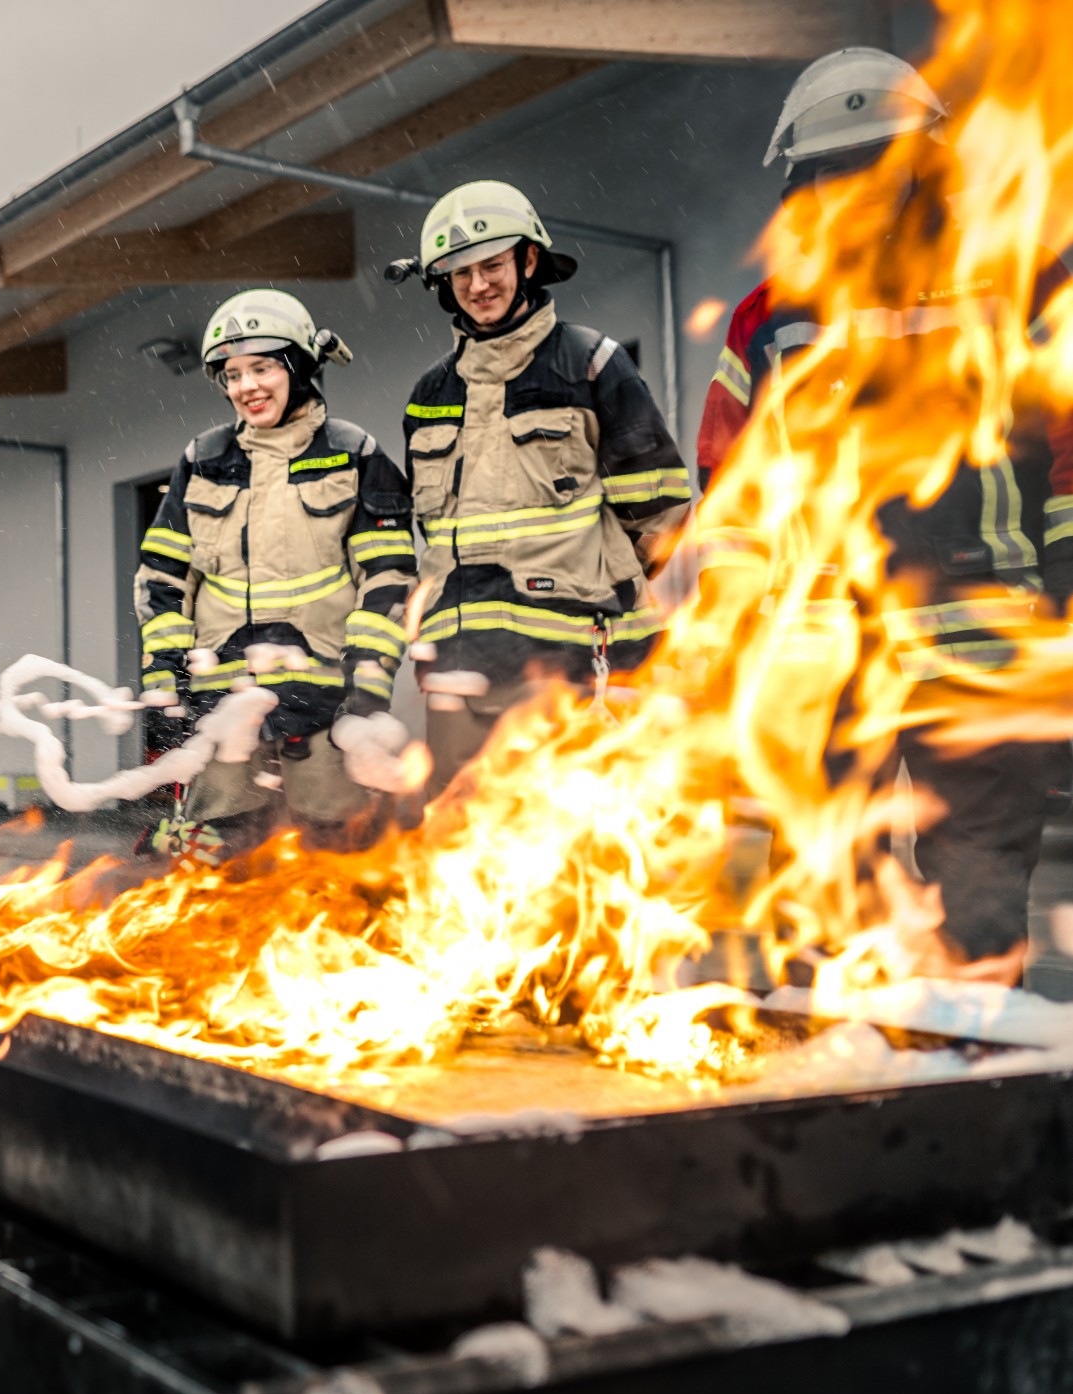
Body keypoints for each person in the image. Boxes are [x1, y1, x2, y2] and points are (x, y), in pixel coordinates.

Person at [695, 47, 1073, 976]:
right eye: (834, 170)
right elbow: (729, 481)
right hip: (819, 658)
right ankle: (833, 1089)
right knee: (822, 892)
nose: (855, 188)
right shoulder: (770, 316)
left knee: (979, 901)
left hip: (981, 649)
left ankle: (975, 1085)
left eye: (878, 162)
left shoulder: (1014, 280)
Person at [393, 180, 690, 797]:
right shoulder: (430, 395)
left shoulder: (590, 363)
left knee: (576, 851)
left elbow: (658, 511)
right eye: (461, 273)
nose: (479, 285)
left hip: (571, 663)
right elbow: (435, 537)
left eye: (493, 265)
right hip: (461, 673)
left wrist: (589, 588)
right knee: (457, 853)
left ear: (528, 261)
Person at [132, 288, 415, 863]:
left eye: (261, 367)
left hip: (327, 707)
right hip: (224, 712)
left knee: (338, 859)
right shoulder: (202, 460)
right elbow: (162, 577)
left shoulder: (353, 453)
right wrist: (164, 681)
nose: (246, 387)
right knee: (220, 865)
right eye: (232, 374)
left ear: (301, 366)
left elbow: (388, 578)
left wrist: (369, 690)